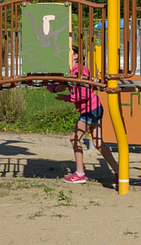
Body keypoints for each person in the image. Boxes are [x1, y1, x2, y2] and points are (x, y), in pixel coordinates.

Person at [48, 45, 119, 185]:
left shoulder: (80, 70)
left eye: (68, 53)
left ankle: (80, 173)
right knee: (98, 143)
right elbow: (56, 86)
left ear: (76, 56)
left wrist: (66, 98)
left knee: (74, 138)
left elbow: (84, 94)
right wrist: (52, 86)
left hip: (90, 108)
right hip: (94, 107)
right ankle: (118, 172)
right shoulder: (68, 72)